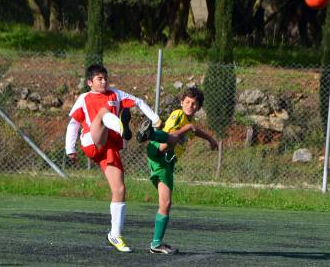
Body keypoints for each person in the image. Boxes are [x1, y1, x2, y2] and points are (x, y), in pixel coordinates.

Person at [65, 64, 168, 253]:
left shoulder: (116, 94)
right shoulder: (84, 98)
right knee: (103, 113)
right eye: (99, 79)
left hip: (109, 148)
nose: (104, 81)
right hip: (91, 142)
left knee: (120, 190)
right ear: (90, 83)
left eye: (105, 78)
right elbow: (73, 124)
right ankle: (121, 128)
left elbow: (138, 101)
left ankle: (115, 235)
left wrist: (155, 119)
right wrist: (69, 148)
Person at [138, 87, 218, 254]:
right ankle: (151, 134)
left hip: (165, 162)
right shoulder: (178, 114)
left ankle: (156, 244)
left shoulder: (188, 122)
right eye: (187, 102)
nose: (190, 105)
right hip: (159, 152)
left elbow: (195, 131)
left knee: (165, 203)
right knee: (172, 138)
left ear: (199, 107)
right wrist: (187, 128)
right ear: (181, 103)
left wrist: (209, 138)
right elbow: (172, 134)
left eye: (194, 104)